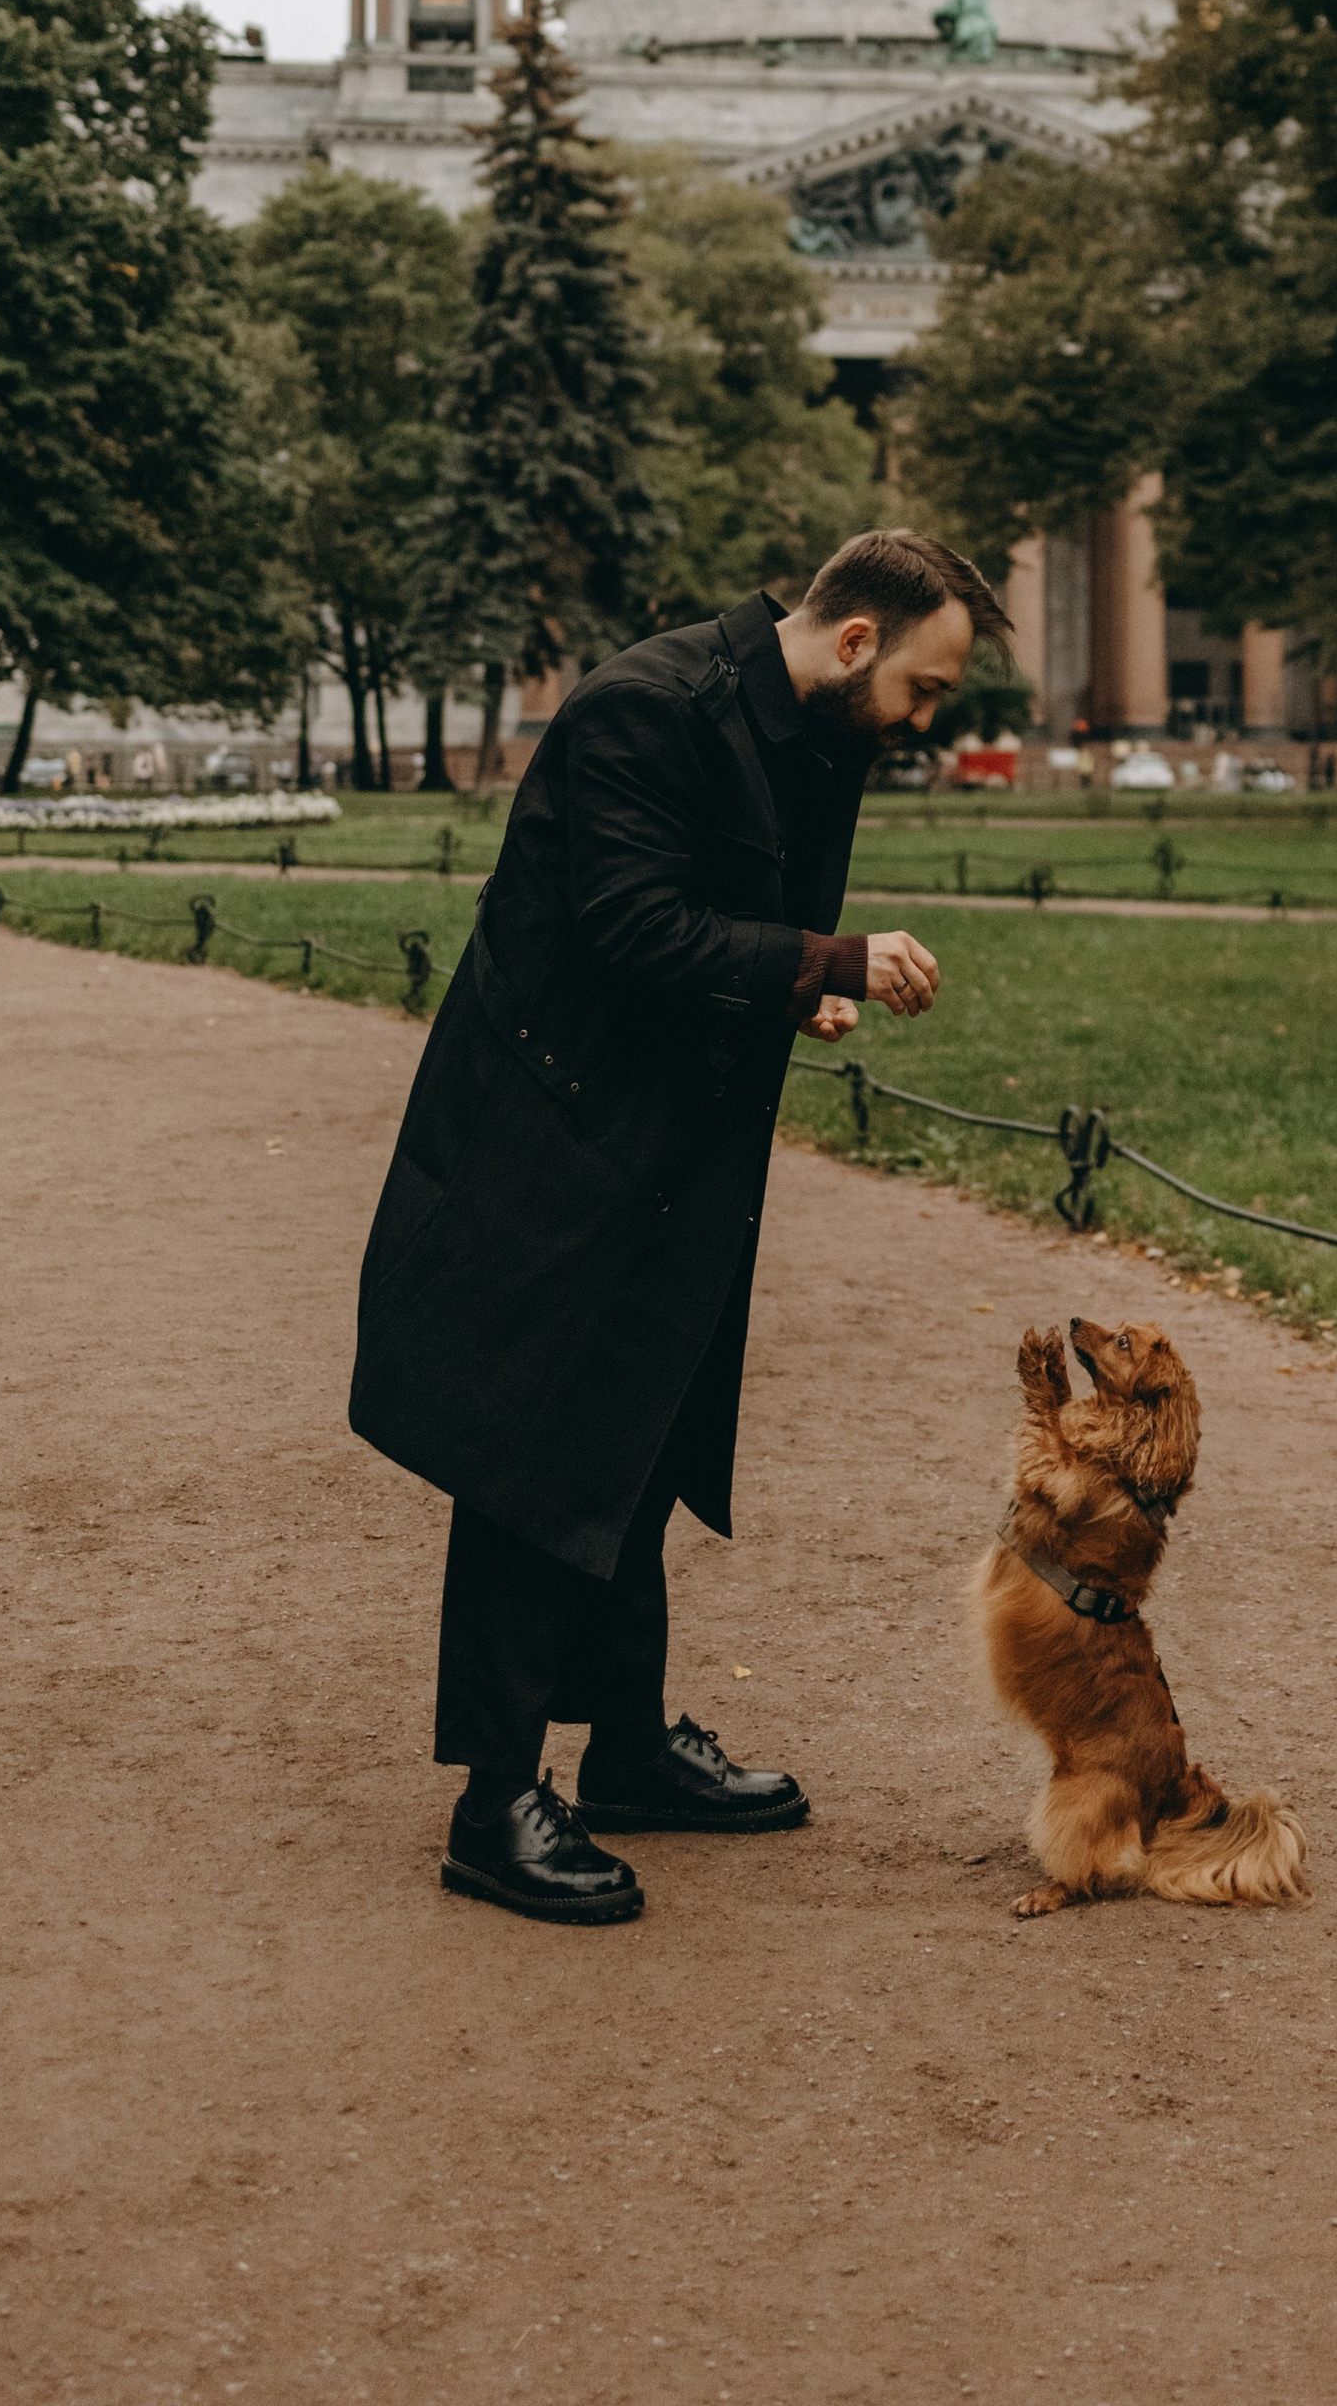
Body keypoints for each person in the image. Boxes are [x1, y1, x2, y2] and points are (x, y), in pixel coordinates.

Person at [348, 525, 1009, 1925]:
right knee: (535, 1455)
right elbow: (634, 927)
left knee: (633, 1441)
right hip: (550, 1136)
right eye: (927, 688)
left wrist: (786, 985)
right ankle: (494, 1801)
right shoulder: (648, 707)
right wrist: (827, 960)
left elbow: (723, 923)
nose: (926, 721)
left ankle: (630, 1750)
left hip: (658, 1139)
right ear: (853, 643)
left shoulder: (809, 733)